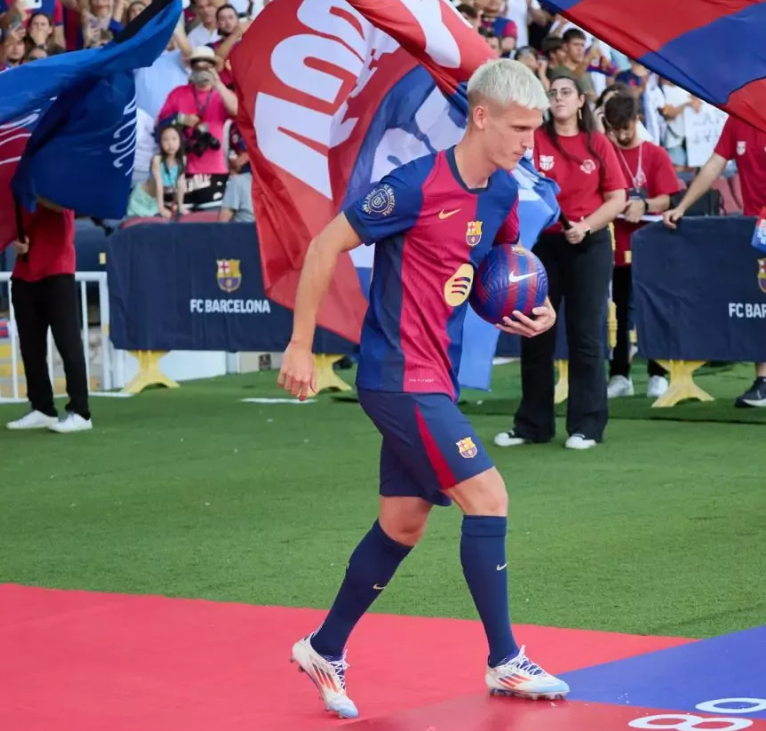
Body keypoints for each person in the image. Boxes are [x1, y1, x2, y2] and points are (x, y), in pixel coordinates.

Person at [276, 59, 569, 720]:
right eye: (519, 128)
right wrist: (299, 345)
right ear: (481, 116)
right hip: (397, 376)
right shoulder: (411, 185)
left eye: (535, 129)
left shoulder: (501, 192)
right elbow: (324, 246)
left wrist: (536, 307)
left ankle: (324, 647)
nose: (529, 142)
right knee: (488, 497)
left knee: (402, 524)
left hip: (435, 376)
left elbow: (504, 268)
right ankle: (505, 657)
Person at [496, 73, 626, 451]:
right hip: (542, 245)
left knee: (585, 335)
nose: (558, 98)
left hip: (589, 244)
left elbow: (617, 198)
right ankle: (532, 424)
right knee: (535, 332)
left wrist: (586, 226)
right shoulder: (534, 140)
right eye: (552, 93)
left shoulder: (597, 143)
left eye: (566, 92)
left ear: (581, 100)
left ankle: (587, 425)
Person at [662, 116, 766, 408]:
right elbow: (714, 166)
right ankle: (764, 382)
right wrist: (682, 206)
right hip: (761, 219)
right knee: (762, 293)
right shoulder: (736, 121)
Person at [601, 92, 680, 398]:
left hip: (651, 244)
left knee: (653, 309)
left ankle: (658, 373)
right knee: (621, 311)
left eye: (626, 128)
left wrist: (644, 204)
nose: (621, 135)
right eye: (615, 129)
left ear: (637, 120)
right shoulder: (606, 152)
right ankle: (620, 374)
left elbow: (666, 199)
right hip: (617, 242)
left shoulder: (654, 154)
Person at [5, 198, 93, 433]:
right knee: (30, 347)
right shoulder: (21, 186)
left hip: (58, 271)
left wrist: (33, 193)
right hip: (24, 271)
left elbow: (62, 204)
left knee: (68, 342)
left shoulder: (53, 183)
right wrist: (16, 239)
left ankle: (81, 412)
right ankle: (42, 408)